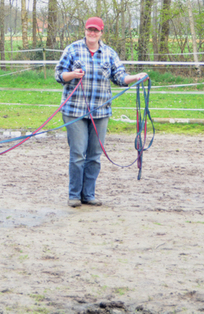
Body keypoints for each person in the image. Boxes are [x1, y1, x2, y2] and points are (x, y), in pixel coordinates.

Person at [54, 17, 148, 208]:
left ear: (101, 33)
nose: (92, 33)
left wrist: (135, 77)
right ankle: (74, 195)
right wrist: (72, 75)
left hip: (100, 111)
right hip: (75, 110)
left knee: (95, 155)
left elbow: (119, 76)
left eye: (96, 30)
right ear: (85, 30)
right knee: (78, 153)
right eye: (90, 29)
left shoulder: (109, 53)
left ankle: (88, 194)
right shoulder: (72, 49)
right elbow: (59, 74)